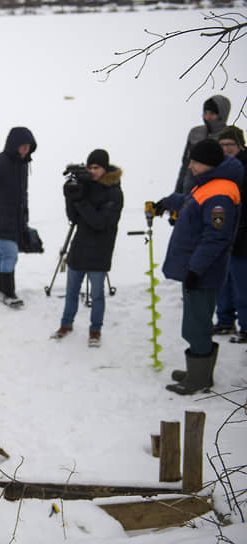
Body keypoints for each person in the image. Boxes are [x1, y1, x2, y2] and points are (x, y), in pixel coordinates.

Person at [154, 139, 243, 395]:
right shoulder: (209, 185)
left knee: (197, 325)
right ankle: (196, 371)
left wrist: (195, 269)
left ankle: (199, 379)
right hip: (197, 270)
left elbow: (216, 237)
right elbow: (190, 202)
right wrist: (167, 201)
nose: (190, 166)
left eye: (195, 161)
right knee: (195, 322)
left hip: (203, 273)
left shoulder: (221, 195)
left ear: (210, 164)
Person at [51, 150, 123, 347]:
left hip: (100, 250)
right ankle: (66, 325)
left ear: (105, 168)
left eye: (96, 168)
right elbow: (74, 218)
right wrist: (70, 195)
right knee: (72, 291)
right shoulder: (85, 186)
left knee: (97, 295)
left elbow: (100, 222)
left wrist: (80, 201)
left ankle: (95, 330)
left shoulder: (114, 192)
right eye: (89, 167)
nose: (92, 171)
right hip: (80, 245)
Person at [0, 127, 37, 309]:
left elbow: (23, 194)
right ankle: (7, 292)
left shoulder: (22, 165)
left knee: (3, 253)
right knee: (11, 254)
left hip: (16, 219)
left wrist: (24, 218)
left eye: (28, 146)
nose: (25, 150)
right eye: (22, 146)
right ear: (13, 145)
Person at [213, 126, 247, 342]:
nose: (226, 149)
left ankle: (245, 326)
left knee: (242, 283)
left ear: (240, 145)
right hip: (221, 234)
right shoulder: (218, 168)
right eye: (222, 145)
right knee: (222, 281)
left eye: (230, 145)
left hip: (243, 234)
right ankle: (225, 321)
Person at [175, 95, 231, 194]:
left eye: (212, 113)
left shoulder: (229, 136)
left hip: (215, 191)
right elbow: (185, 165)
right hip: (189, 189)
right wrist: (177, 193)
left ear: (222, 114)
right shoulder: (195, 133)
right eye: (205, 113)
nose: (207, 117)